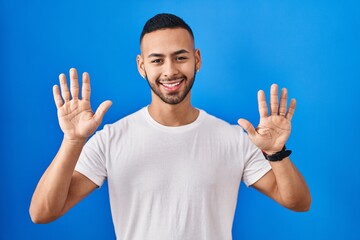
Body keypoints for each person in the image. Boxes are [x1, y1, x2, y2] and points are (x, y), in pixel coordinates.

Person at [30, 13, 311, 240]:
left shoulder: (233, 139)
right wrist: (72, 141)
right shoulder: (111, 139)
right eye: (157, 60)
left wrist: (275, 153)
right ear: (141, 66)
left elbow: (298, 202)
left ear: (197, 59)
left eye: (180, 57)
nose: (170, 71)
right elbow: (42, 213)